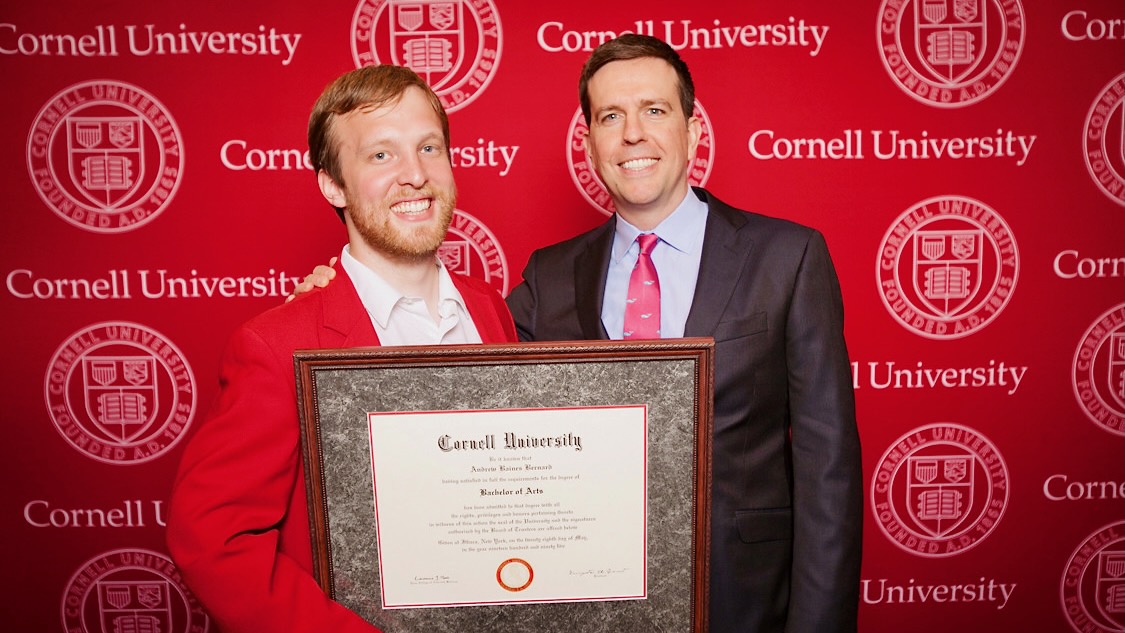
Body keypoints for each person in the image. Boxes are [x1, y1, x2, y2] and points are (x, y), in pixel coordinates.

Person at [294, 34, 862, 633]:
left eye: (654, 111)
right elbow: (454, 372)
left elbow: (830, 468)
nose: (632, 134)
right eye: (610, 116)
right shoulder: (551, 275)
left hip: (742, 598)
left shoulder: (788, 257)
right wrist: (345, 291)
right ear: (590, 144)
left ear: (693, 132)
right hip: (587, 597)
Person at [166, 65, 517, 633]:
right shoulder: (276, 347)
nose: (415, 175)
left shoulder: (489, 309)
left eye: (429, 147)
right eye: (381, 156)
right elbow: (214, 541)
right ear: (332, 184)